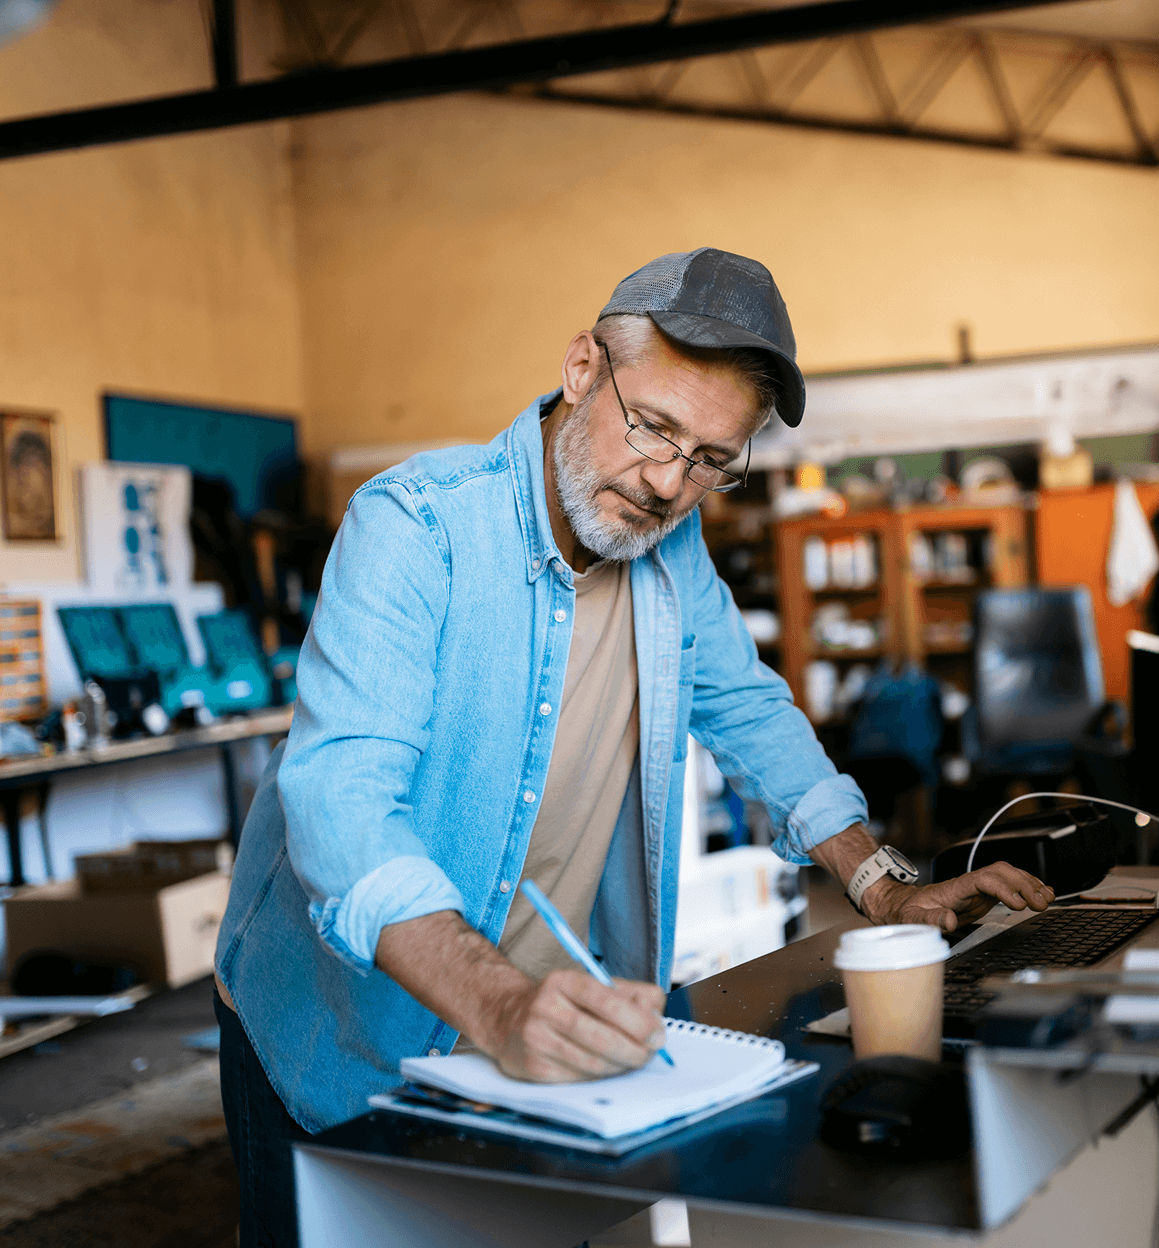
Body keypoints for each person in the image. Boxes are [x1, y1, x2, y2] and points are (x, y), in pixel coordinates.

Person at [213, 247, 1054, 1244]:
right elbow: (339, 805)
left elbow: (748, 708)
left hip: (535, 1036)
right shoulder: (417, 527)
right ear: (581, 369)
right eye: (652, 427)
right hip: (341, 1033)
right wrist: (500, 1006)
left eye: (711, 461)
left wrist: (881, 882)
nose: (666, 483)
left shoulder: (671, 550)